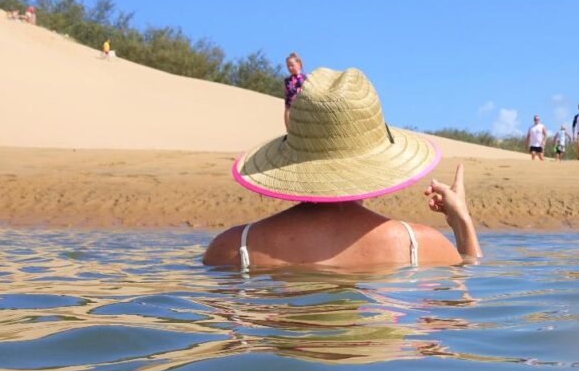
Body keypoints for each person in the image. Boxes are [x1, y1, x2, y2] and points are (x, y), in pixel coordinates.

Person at [203, 67, 481, 270]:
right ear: (381, 158)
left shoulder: (230, 248)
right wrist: (462, 224)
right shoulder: (422, 246)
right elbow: (466, 308)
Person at [284, 52, 307, 130]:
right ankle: (289, 131)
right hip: (290, 105)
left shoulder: (305, 78)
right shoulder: (287, 80)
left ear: (299, 65)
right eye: (288, 66)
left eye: (292, 65)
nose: (290, 68)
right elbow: (286, 92)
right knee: (287, 111)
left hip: (302, 104)